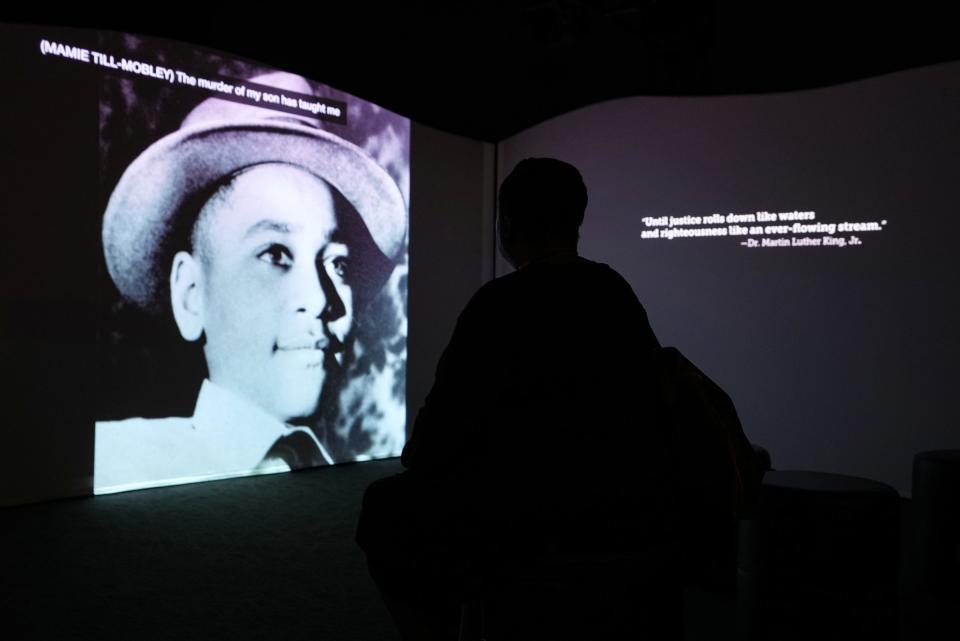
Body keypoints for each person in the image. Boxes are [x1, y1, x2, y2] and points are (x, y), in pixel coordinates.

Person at [357, 158, 672, 640]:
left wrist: (422, 455)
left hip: (524, 519)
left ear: (506, 223)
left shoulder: (497, 305)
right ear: (577, 221)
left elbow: (441, 432)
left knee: (385, 509)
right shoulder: (615, 292)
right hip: (622, 509)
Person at [94, 73, 407, 493]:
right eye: (275, 254)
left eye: (338, 266)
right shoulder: (117, 465)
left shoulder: (358, 482)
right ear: (190, 295)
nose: (319, 301)